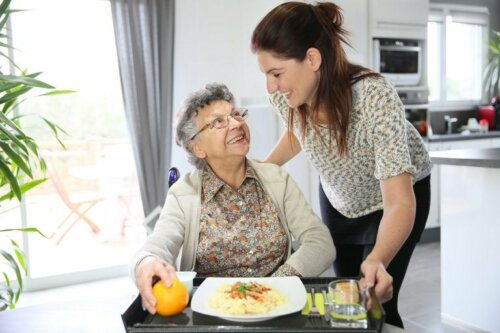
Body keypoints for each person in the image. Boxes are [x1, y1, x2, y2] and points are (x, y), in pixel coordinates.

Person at [251, 2, 432, 328]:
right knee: (346, 307)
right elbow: (299, 134)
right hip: (339, 201)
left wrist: (377, 259)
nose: (270, 86)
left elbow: (399, 201)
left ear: (312, 59)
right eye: (266, 74)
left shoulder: (373, 97)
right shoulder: (284, 95)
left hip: (393, 202)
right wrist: (260, 169)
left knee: (376, 307)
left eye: (276, 73)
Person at [131, 82, 336, 315]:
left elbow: (320, 243)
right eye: (219, 122)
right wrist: (145, 262)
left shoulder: (276, 179)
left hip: (277, 305)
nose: (237, 124)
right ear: (197, 147)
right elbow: (159, 244)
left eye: (236, 115)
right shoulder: (183, 194)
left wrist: (274, 285)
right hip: (211, 311)